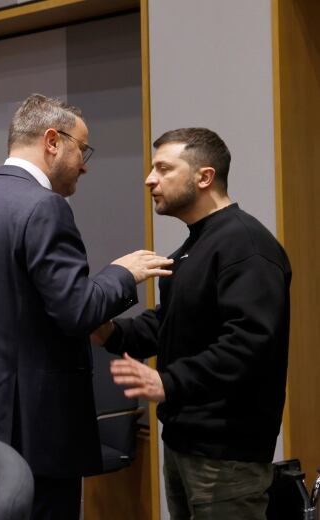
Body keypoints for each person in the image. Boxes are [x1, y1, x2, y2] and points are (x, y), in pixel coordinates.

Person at [0, 94, 174, 520]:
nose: (85, 163)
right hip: (33, 425)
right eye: (82, 149)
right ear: (52, 141)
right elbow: (76, 311)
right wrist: (122, 273)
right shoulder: (45, 208)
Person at [94, 128, 291, 520]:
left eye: (163, 168)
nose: (150, 179)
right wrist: (111, 334)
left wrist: (168, 382)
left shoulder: (247, 246)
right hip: (185, 443)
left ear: (204, 177)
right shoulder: (193, 246)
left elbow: (249, 343)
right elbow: (169, 324)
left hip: (226, 455)